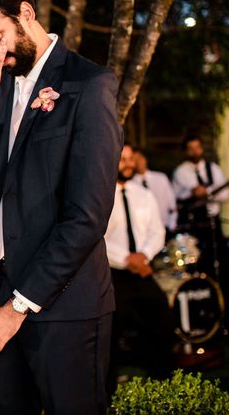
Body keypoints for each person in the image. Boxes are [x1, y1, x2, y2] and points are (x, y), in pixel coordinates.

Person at [0, 0, 123, 414]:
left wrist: (18, 307)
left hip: (63, 305)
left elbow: (86, 218)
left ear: (25, 13)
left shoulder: (88, 85)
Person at [104, 144, 175, 390]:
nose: (128, 164)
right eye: (122, 159)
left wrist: (143, 256)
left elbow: (158, 230)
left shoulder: (144, 195)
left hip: (142, 270)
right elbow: (95, 237)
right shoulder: (100, 194)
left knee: (162, 320)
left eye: (131, 158)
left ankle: (163, 380)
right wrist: (127, 258)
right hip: (112, 274)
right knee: (110, 332)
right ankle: (106, 388)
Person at [172, 134, 229, 276]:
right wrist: (192, 193)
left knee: (218, 256)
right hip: (193, 223)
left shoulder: (212, 168)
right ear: (186, 151)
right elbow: (176, 197)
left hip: (212, 221)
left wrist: (208, 192)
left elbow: (225, 194)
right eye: (191, 149)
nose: (195, 151)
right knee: (196, 258)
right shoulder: (180, 172)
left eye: (197, 148)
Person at [131, 148, 177, 233]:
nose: (138, 162)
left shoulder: (161, 178)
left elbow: (172, 205)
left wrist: (171, 226)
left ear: (145, 159)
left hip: (165, 226)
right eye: (134, 160)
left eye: (140, 158)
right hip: (143, 231)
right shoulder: (131, 184)